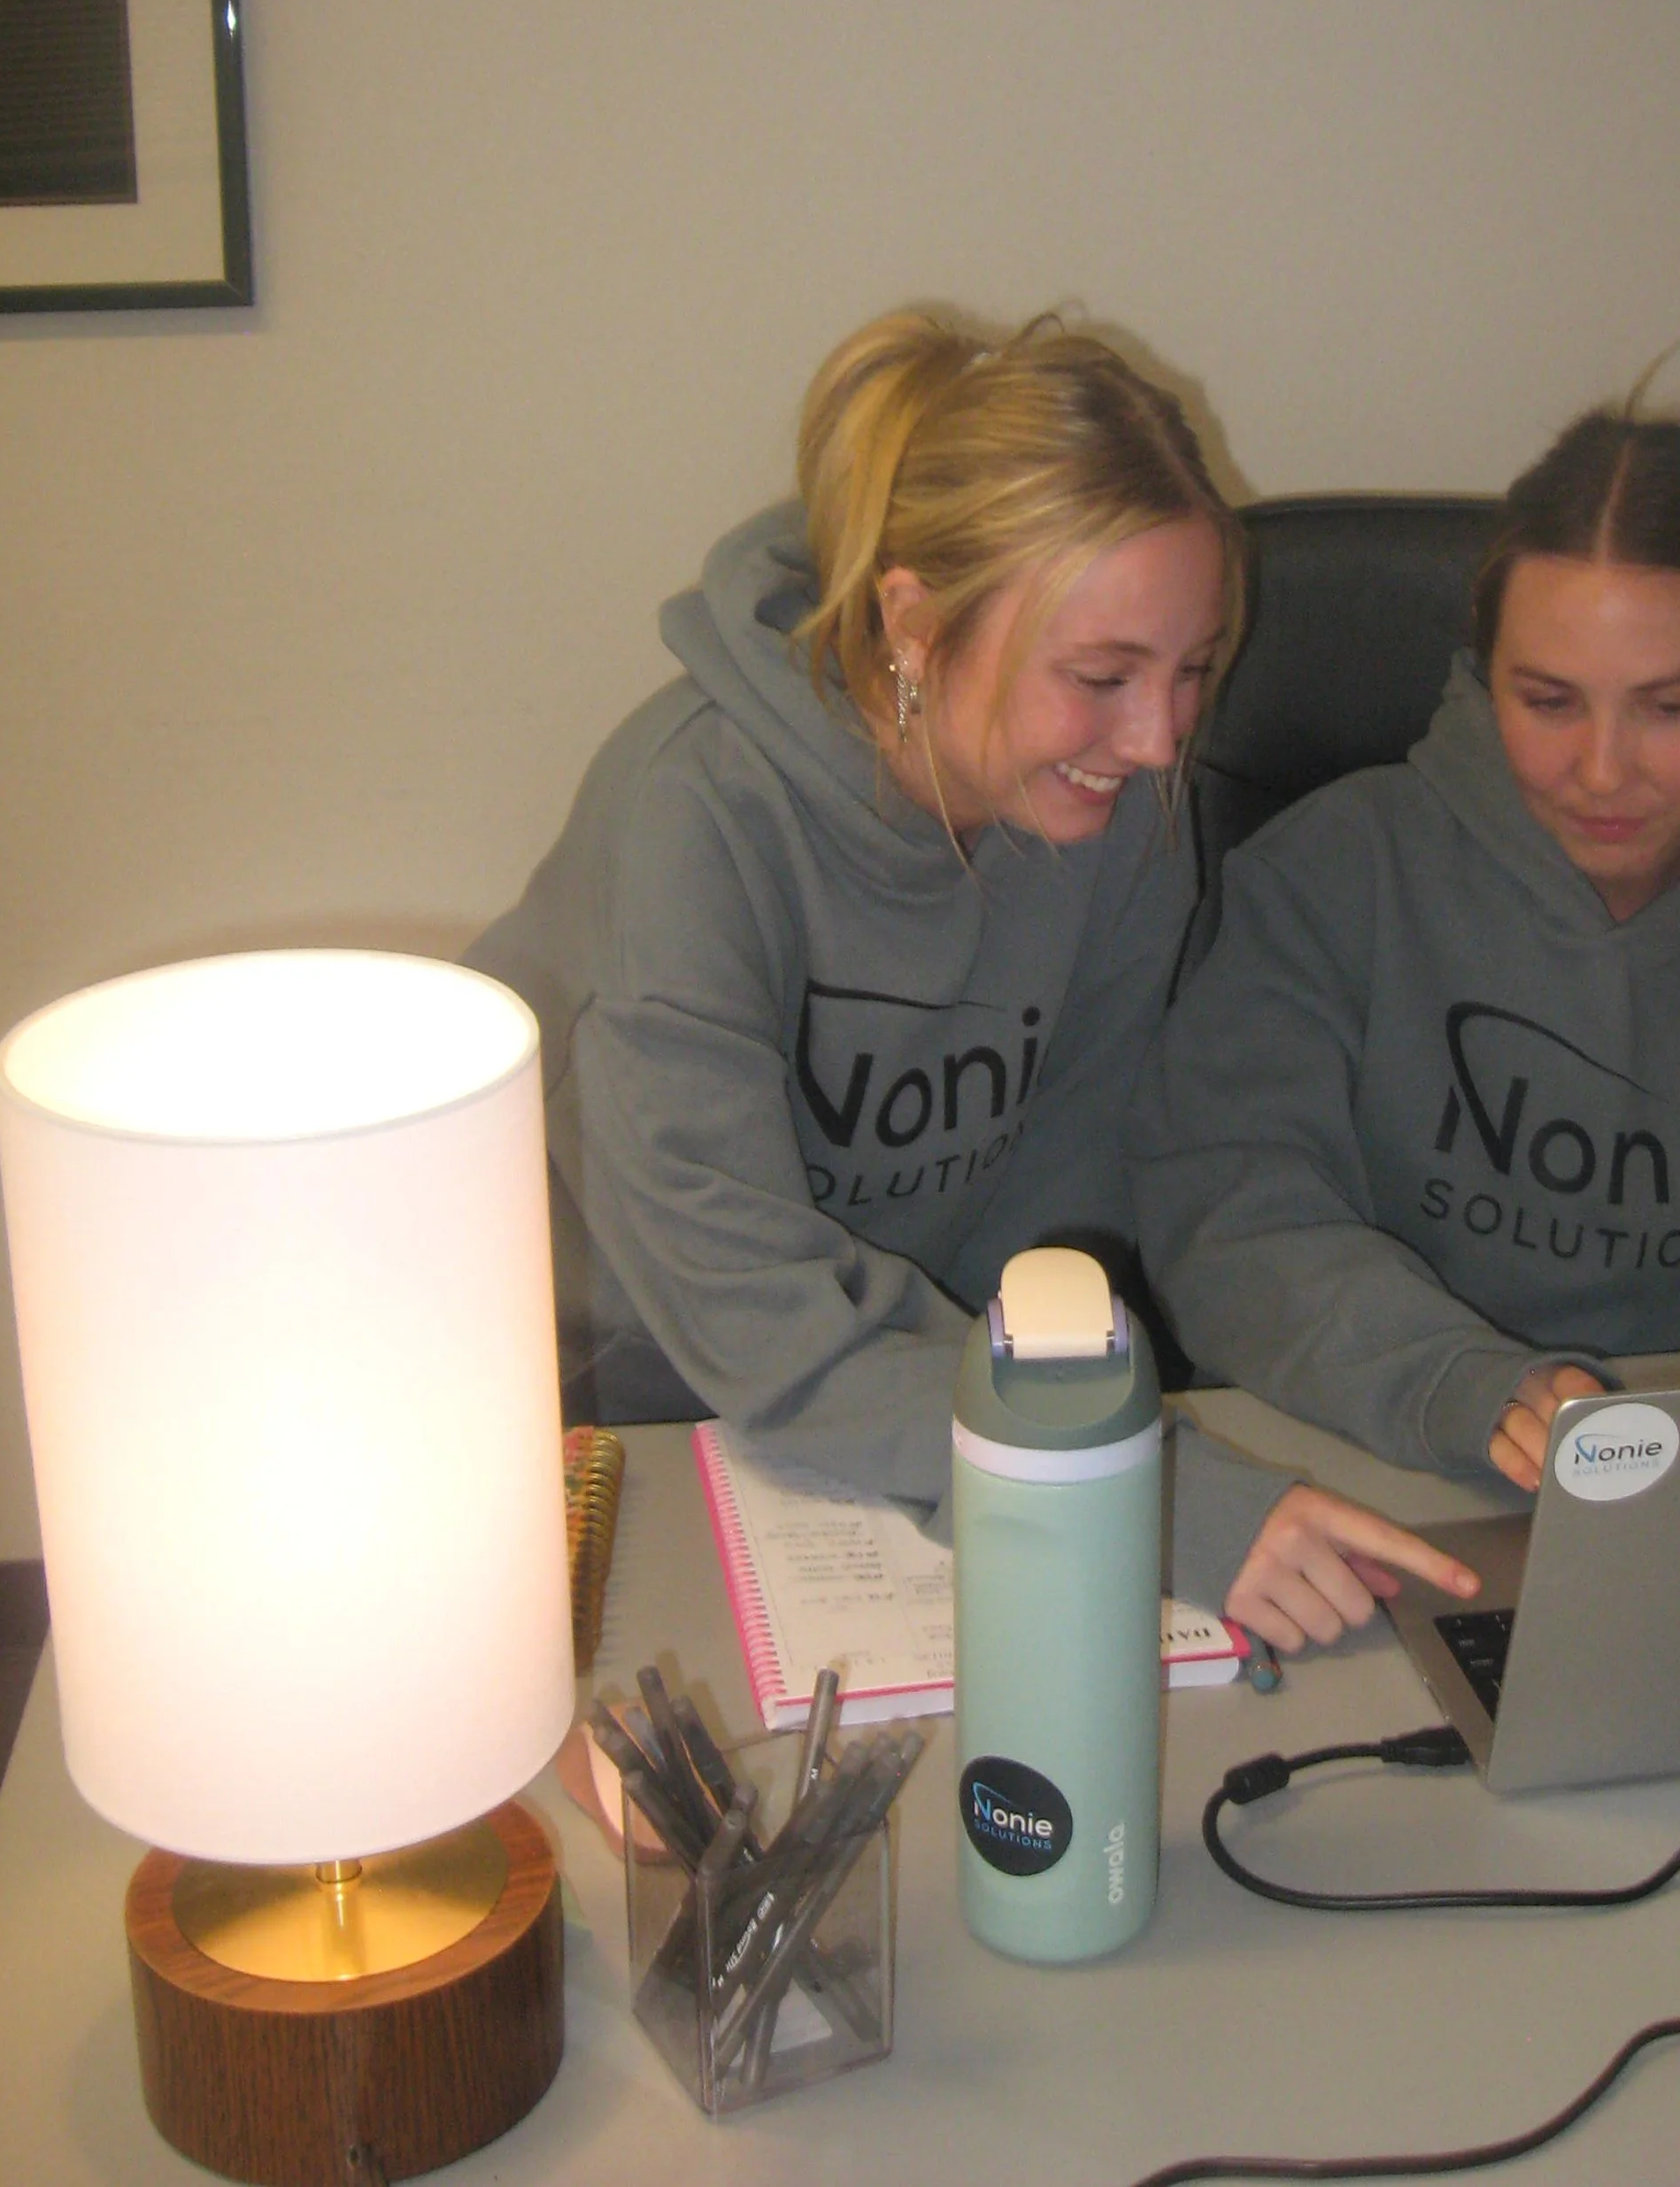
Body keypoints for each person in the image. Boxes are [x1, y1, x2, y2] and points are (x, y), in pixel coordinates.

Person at [471, 307, 1472, 1652]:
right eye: (1104, 675)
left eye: (1191, 673)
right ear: (914, 625)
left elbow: (1073, 1204)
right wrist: (1134, 1494)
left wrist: (1067, 1441)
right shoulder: (694, 820)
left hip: (887, 1421)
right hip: (592, 1423)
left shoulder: (1113, 812)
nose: (1163, 740)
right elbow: (759, 1323)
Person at [1129, 404, 1680, 1498]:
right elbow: (1230, 1220)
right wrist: (1459, 1386)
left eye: (1667, 706)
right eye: (1547, 701)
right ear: (1483, 671)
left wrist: (1661, 1478)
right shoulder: (1328, 876)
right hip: (1357, 1460)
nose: (1602, 771)